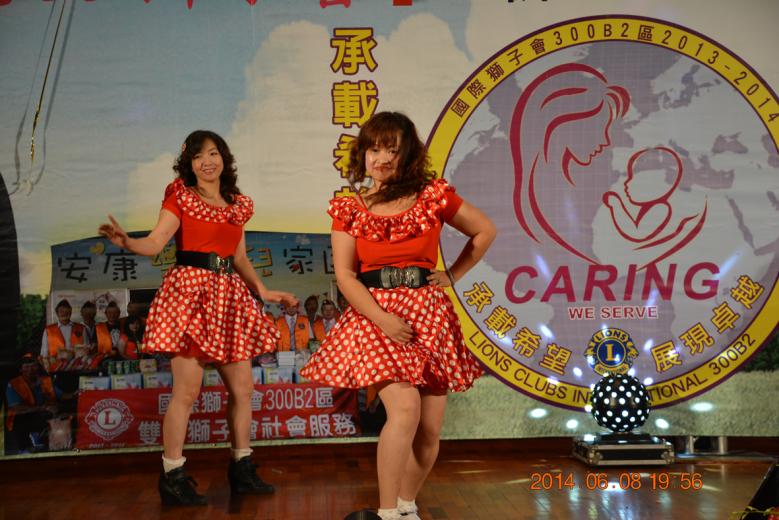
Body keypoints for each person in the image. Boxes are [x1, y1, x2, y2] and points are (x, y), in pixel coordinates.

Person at [301, 112, 496, 520]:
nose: (382, 158)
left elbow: (484, 231)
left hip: (429, 316)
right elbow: (345, 276)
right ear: (362, 154)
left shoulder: (433, 196)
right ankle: (387, 513)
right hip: (375, 318)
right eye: (374, 149)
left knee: (429, 431)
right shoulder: (350, 208)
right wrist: (383, 319)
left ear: (408, 154)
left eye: (392, 149)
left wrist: (452, 275)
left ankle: (407, 506)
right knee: (404, 410)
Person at [99, 129, 297, 506]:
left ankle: (241, 469)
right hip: (190, 296)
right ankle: (172, 476)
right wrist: (128, 242)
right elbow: (156, 241)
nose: (207, 161)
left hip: (229, 298)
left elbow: (239, 257)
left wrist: (264, 290)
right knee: (186, 392)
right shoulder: (181, 196)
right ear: (188, 164)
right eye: (198, 156)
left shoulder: (236, 204)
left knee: (243, 389)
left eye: (213, 153)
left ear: (224, 157)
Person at [5, 353, 60, 453]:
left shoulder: (45, 381)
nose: (30, 369)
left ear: (38, 368)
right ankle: (25, 447)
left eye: (33, 366)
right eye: (26, 367)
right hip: (22, 419)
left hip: (41, 415)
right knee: (21, 419)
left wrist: (78, 392)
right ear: (21, 369)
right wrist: (43, 408)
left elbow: (61, 395)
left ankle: (45, 441)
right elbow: (16, 408)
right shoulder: (14, 384)